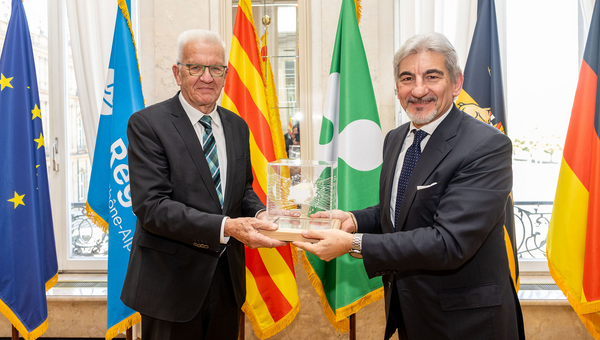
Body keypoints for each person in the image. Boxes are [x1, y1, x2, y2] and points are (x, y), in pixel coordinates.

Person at [293, 32, 525, 340]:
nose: (418, 90)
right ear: (397, 88)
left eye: (432, 76)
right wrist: (353, 220)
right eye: (407, 78)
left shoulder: (486, 146)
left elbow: (449, 242)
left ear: (456, 83)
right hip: (414, 315)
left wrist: (354, 243)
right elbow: (400, 212)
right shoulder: (396, 138)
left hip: (469, 324)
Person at [120, 29, 286, 340]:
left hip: (227, 284)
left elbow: (242, 191)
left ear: (226, 74)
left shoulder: (237, 126)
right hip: (169, 287)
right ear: (177, 73)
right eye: (195, 67)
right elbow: (152, 207)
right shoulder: (148, 125)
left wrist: (262, 214)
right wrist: (227, 227)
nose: (206, 77)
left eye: (216, 68)